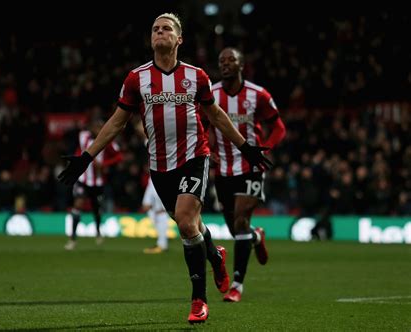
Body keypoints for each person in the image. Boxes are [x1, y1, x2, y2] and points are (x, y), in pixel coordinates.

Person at [57, 13, 272, 324]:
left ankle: (198, 300)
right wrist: (86, 157)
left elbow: (217, 116)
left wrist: (245, 147)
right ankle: (215, 255)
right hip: (160, 167)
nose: (160, 32)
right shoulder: (136, 79)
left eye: (166, 28)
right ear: (151, 39)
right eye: (155, 29)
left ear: (178, 39)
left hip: (195, 158)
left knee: (186, 222)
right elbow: (117, 122)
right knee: (192, 227)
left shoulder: (196, 76)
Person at [210, 47, 286, 302]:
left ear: (242, 64)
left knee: (241, 220)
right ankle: (256, 236)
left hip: (251, 167)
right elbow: (199, 124)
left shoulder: (258, 95)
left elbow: (278, 126)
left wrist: (267, 148)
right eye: (221, 61)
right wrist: (208, 149)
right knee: (236, 229)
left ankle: (237, 286)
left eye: (231, 59)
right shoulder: (211, 94)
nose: (225, 64)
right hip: (223, 169)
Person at [64, 119, 122, 250]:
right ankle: (72, 239)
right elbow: (78, 150)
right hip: (83, 179)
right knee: (77, 205)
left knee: (96, 209)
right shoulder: (83, 136)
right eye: (96, 126)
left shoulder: (107, 140)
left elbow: (119, 157)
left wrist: (104, 165)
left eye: (100, 126)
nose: (98, 129)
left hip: (98, 182)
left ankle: (98, 231)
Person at [141, 177, 170, 253]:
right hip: (155, 210)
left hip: (161, 209)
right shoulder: (151, 179)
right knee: (157, 216)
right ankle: (160, 244)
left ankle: (162, 245)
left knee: (161, 215)